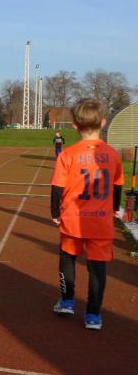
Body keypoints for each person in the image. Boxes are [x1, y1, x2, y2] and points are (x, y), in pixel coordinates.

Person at [51, 98, 123, 330]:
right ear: (103, 123)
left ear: (74, 125)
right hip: (101, 220)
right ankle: (93, 314)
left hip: (73, 218)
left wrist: (55, 212)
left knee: (67, 259)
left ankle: (67, 301)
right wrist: (114, 208)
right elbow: (117, 186)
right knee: (97, 267)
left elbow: (57, 187)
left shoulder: (67, 154)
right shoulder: (113, 154)